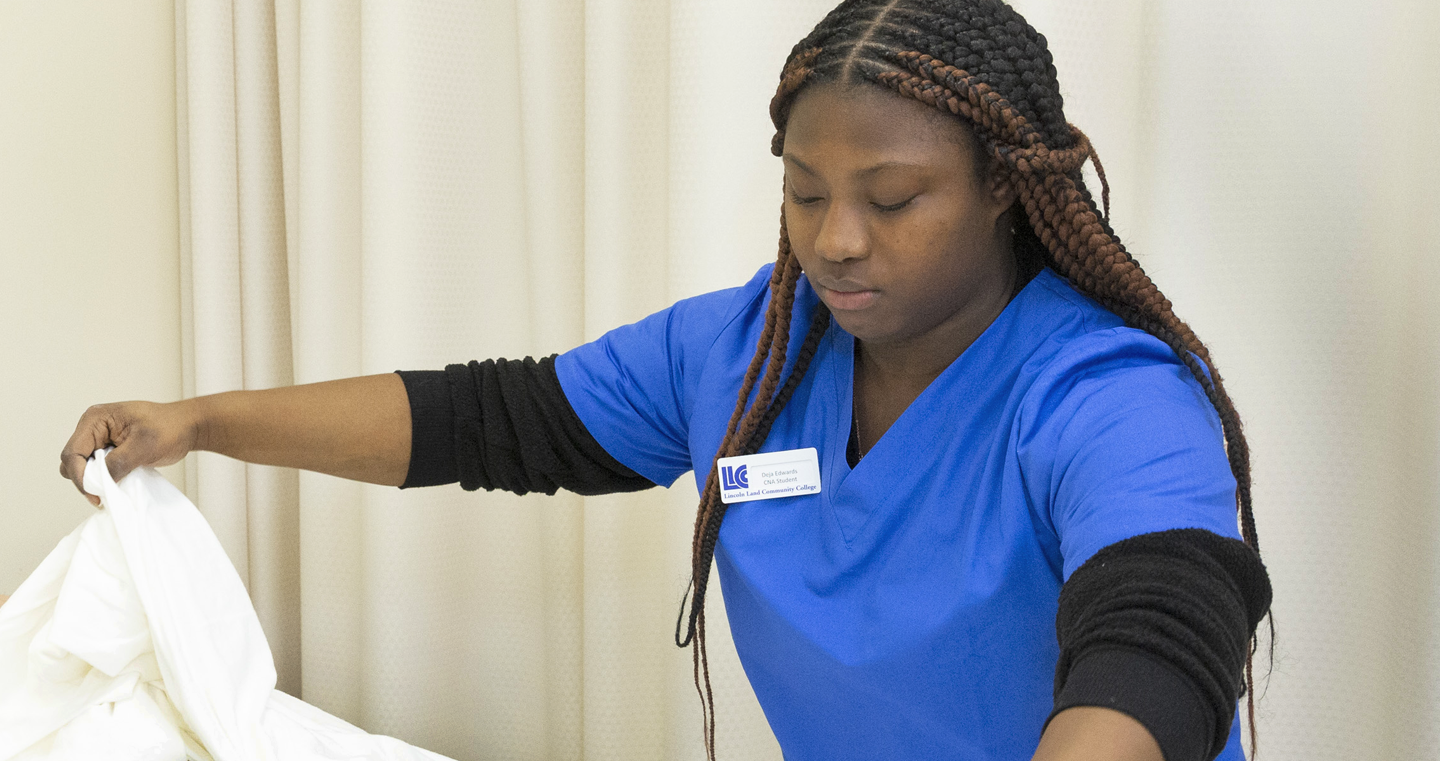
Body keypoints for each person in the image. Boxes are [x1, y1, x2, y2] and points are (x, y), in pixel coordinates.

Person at [59, 1, 1272, 760]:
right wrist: (202, 421)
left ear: (1009, 187)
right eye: (805, 191)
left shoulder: (1106, 392)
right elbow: (495, 419)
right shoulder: (748, 349)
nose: (835, 237)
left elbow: (1159, 640)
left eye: (892, 199)